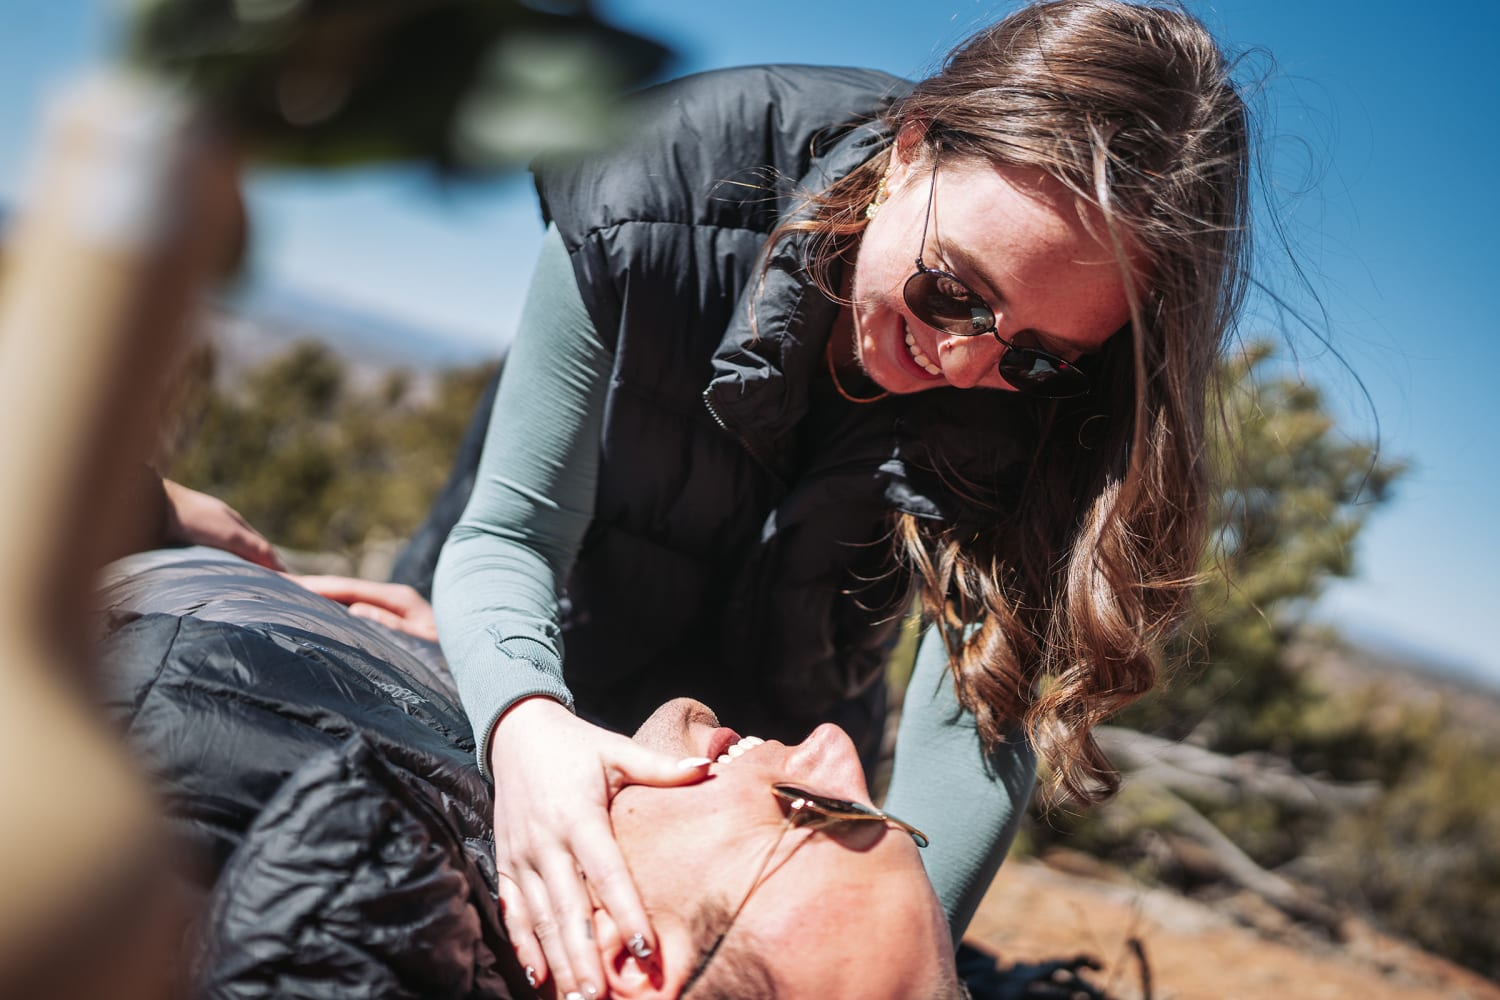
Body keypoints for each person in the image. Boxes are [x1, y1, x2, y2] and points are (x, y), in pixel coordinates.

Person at [302, 2, 1253, 996]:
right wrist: (514, 710)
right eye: (953, 291)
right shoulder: (653, 185)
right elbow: (511, 533)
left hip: (764, 784)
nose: (964, 359)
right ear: (915, 148)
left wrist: (881, 965)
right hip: (533, 697)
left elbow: (978, 704)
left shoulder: (1066, 403)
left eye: (1036, 357)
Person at [97, 548, 965, 999]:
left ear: (634, 959)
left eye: (815, 810)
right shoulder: (457, 892)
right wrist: (436, 669)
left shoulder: (179, 805)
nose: (834, 745)